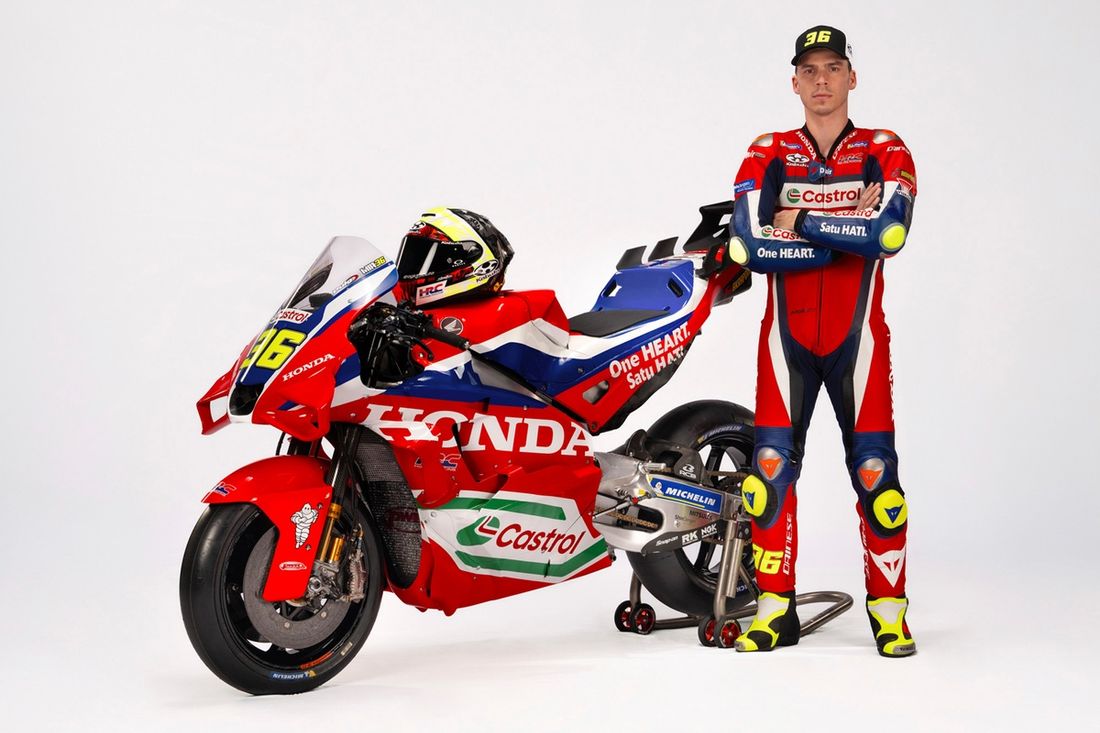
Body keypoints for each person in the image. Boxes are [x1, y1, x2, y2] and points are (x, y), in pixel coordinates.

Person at [726, 25, 917, 657]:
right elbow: (749, 248)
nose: (821, 80)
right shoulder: (767, 150)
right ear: (794, 82)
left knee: (877, 480)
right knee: (767, 476)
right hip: (785, 345)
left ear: (852, 77)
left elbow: (888, 236)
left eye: (833, 67)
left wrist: (798, 220)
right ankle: (773, 612)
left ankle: (890, 614)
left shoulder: (885, 148)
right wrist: (846, 226)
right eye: (809, 70)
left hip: (859, 344)